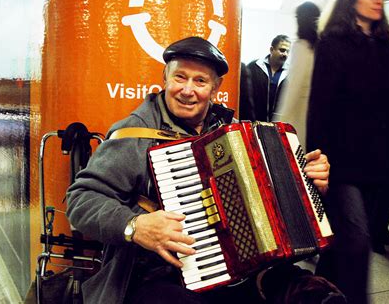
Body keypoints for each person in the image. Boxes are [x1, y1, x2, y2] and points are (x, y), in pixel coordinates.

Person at [66, 36, 334, 304]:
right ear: (165, 78)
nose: (187, 90)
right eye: (180, 77)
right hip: (155, 272)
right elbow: (80, 200)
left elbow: (270, 204)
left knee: (316, 295)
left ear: (215, 88)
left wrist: (306, 182)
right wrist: (134, 226)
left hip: (241, 268)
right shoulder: (135, 133)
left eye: (200, 81)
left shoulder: (232, 134)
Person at [305, 0, 389, 303]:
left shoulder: (384, 47)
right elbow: (319, 107)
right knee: (357, 242)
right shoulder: (333, 42)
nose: (377, 0)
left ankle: (318, 294)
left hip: (376, 163)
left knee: (342, 243)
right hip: (340, 164)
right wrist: (317, 161)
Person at [272, 1, 321, 151]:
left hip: (298, 117)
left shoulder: (301, 46)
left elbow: (293, 90)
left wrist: (278, 125)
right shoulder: (320, 46)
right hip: (315, 116)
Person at [247, 34, 291, 122]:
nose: (285, 54)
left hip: (278, 127)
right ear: (271, 49)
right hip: (254, 124)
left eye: (287, 51)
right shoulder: (254, 67)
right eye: (282, 50)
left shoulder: (291, 74)